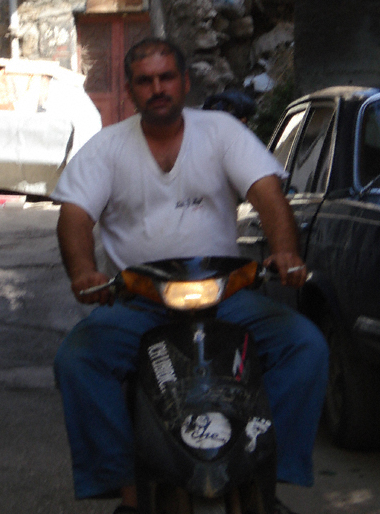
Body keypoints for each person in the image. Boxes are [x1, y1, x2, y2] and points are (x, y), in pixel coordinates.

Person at [52, 38, 328, 514]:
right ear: (131, 89)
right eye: (145, 81)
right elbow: (75, 217)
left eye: (166, 78)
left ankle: (268, 472)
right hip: (139, 300)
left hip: (227, 295)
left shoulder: (221, 132)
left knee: (304, 345)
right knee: (78, 358)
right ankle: (126, 486)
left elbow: (267, 194)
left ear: (184, 82)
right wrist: (83, 273)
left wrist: (285, 253)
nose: (157, 89)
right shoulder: (108, 149)